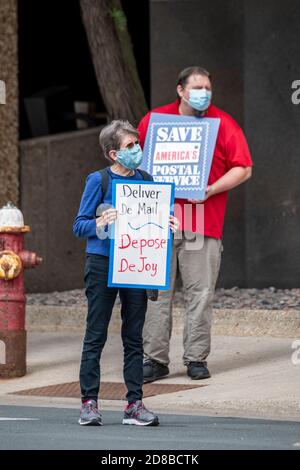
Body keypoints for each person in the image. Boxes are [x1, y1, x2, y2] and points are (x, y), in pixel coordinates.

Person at [138, 66, 253, 383]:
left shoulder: (223, 123)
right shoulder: (154, 121)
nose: (204, 92)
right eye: (197, 87)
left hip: (202, 222)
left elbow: (243, 167)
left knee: (200, 293)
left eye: (208, 87)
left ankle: (196, 358)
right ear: (180, 90)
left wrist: (212, 188)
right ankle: (155, 359)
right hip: (157, 222)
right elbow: (136, 161)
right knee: (156, 294)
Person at [73, 119, 178, 426]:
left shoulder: (146, 179)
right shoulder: (99, 181)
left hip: (136, 263)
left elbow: (154, 223)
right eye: (130, 146)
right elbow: (79, 225)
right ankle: (89, 403)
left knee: (134, 337)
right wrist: (101, 223)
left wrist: (168, 226)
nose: (137, 149)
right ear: (113, 154)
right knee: (96, 334)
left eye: (137, 143)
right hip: (102, 262)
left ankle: (134, 403)